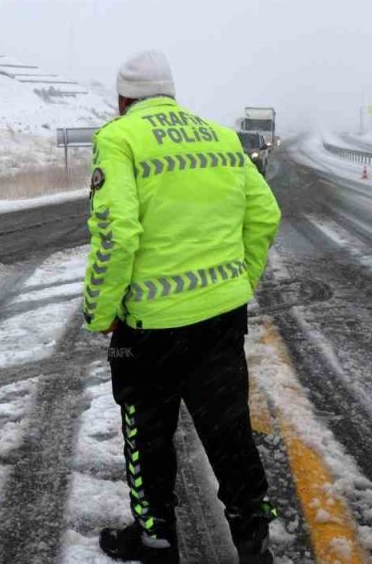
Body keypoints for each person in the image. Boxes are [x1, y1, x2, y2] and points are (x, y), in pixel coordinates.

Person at [82, 50, 282, 564]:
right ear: (170, 93)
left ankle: (156, 544)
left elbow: (116, 234)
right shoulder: (221, 137)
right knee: (231, 436)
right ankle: (254, 544)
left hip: (149, 333)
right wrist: (239, 281)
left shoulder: (119, 138)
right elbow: (265, 214)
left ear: (123, 100)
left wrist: (100, 312)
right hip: (221, 323)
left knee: (147, 442)